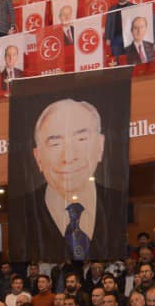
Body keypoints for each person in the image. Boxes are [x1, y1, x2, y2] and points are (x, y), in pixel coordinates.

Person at [15, 99, 120, 262]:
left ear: (100, 146)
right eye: (55, 144)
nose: (69, 157)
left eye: (81, 139)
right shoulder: (20, 213)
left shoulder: (119, 203)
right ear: (38, 157)